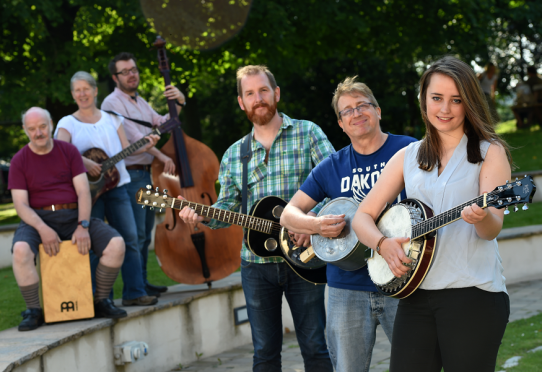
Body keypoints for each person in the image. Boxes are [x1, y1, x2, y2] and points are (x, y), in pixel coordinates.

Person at [352, 56, 511, 372]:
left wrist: (484, 217)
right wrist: (383, 244)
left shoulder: (490, 152)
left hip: (474, 295)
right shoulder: (407, 156)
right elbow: (361, 217)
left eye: (456, 100)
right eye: (437, 98)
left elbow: (492, 230)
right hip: (416, 296)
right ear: (423, 101)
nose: (445, 109)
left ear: (469, 102)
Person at [178, 65, 334, 372]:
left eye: (263, 91)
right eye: (249, 93)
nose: (258, 98)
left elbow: (335, 184)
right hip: (256, 265)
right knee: (264, 352)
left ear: (276, 94)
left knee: (315, 347)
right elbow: (226, 208)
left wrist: (310, 221)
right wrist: (200, 216)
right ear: (241, 102)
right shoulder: (235, 154)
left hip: (305, 257)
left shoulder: (308, 133)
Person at [279, 77, 417, 372]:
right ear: (340, 124)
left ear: (378, 110)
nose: (356, 114)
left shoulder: (410, 150)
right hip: (346, 288)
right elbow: (288, 214)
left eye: (362, 106)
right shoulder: (332, 165)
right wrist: (315, 225)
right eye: (347, 111)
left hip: (403, 279)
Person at [9, 107, 128, 331]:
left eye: (42, 127)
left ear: (51, 124)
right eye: (32, 129)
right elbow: (20, 205)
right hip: (37, 219)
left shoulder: (69, 151)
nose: (39, 133)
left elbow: (84, 191)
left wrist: (83, 225)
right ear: (25, 130)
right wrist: (43, 229)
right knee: (21, 250)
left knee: (116, 245)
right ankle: (33, 311)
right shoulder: (19, 160)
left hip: (74, 215)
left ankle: (101, 301)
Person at [55, 71, 160, 306]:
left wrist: (147, 144)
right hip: (88, 194)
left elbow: (127, 149)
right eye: (77, 90)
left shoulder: (112, 119)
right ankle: (99, 298)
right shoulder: (67, 123)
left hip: (118, 187)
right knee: (94, 244)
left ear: (95, 91)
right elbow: (60, 151)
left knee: (130, 239)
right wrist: (85, 162)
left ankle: (134, 292)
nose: (82, 94)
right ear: (73, 95)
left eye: (86, 89)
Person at [101, 52, 185, 297]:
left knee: (144, 236)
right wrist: (163, 157)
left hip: (146, 175)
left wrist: (179, 102)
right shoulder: (111, 104)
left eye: (134, 69)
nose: (131, 75)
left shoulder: (139, 101)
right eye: (125, 71)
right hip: (129, 175)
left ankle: (142, 283)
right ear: (115, 77)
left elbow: (162, 122)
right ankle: (133, 290)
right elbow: (135, 140)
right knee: (134, 236)